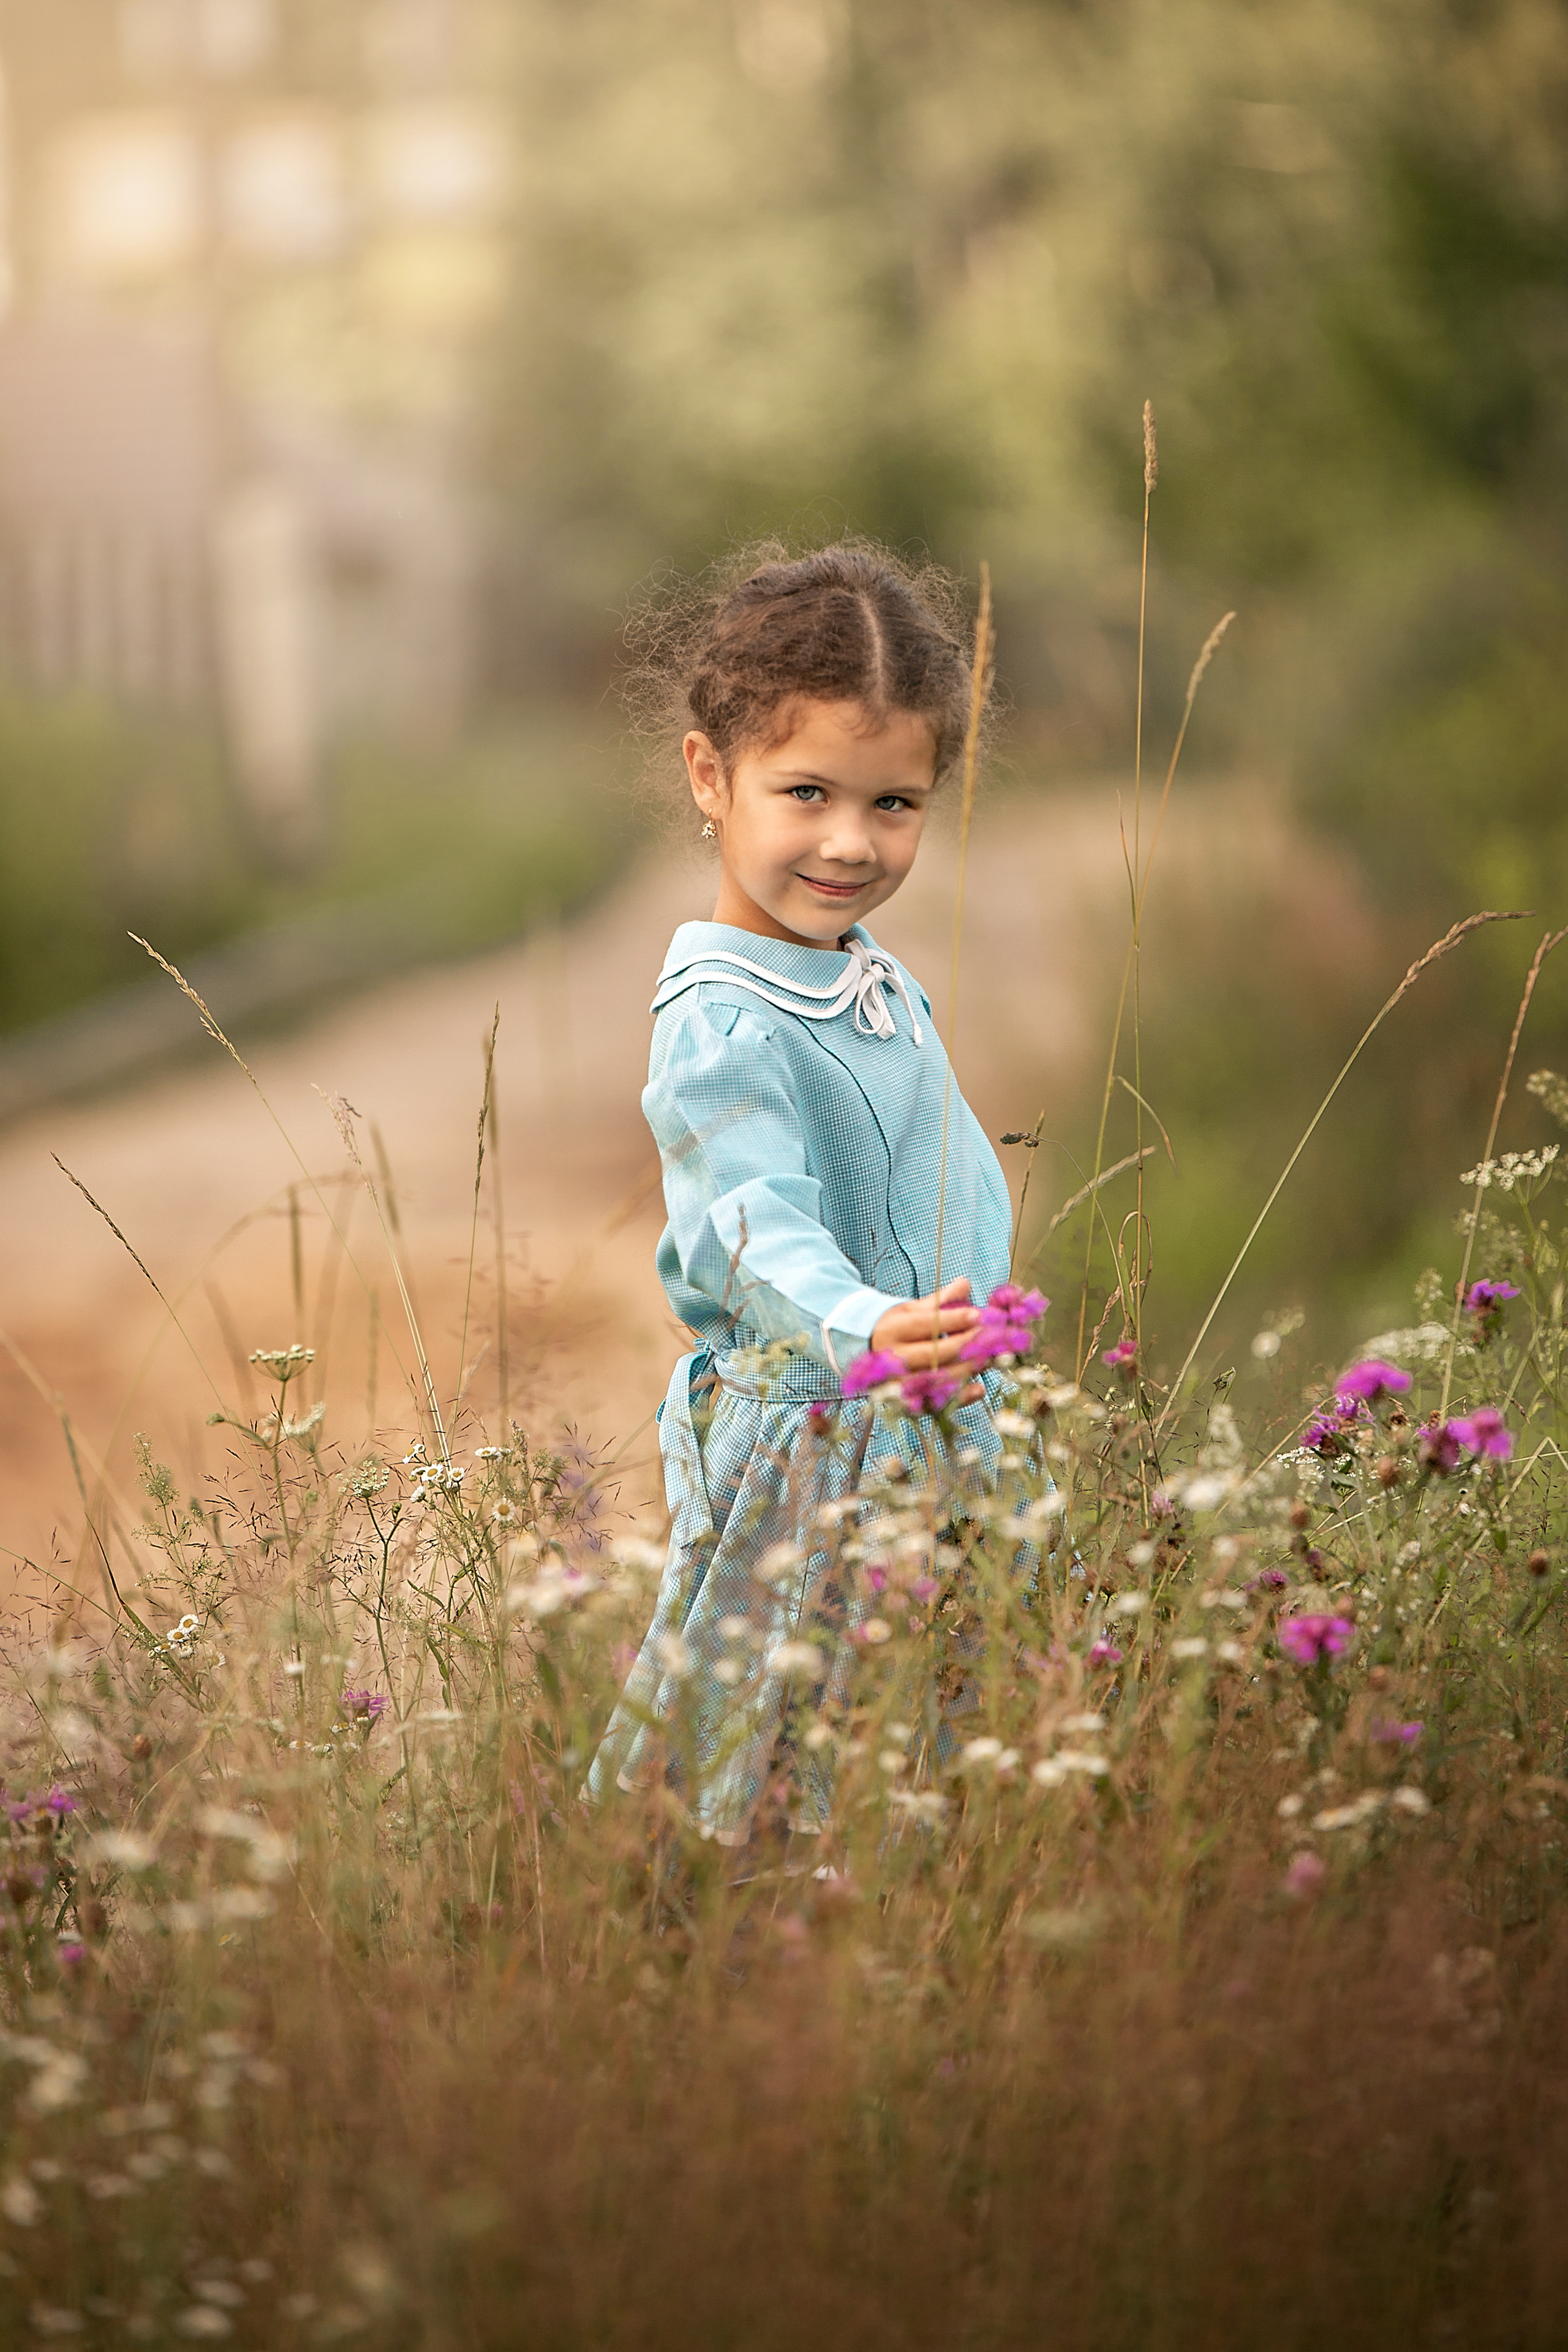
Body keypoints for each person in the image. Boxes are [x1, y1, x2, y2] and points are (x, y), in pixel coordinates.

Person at [587, 542, 1029, 1849]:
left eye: (894, 803)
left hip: (933, 1414)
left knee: (952, 1763)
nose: (850, 842)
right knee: (790, 1771)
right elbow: (745, 1227)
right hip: (818, 1442)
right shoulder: (722, 1017)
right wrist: (866, 1326)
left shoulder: (861, 971)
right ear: (708, 776)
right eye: (807, 792)